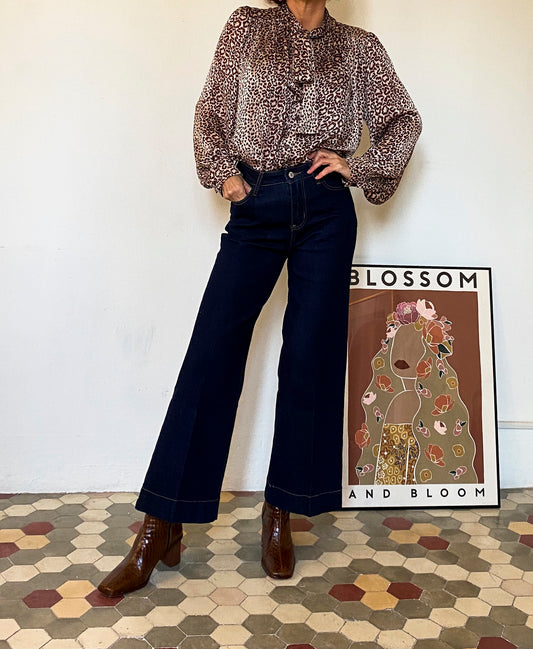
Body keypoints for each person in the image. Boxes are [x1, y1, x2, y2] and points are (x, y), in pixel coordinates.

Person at [98, 0, 422, 597]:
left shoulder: (359, 47)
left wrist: (356, 166)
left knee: (309, 358)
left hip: (326, 213)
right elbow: (211, 112)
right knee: (212, 353)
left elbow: (403, 120)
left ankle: (281, 509)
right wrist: (227, 178)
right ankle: (162, 523)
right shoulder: (247, 26)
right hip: (258, 203)